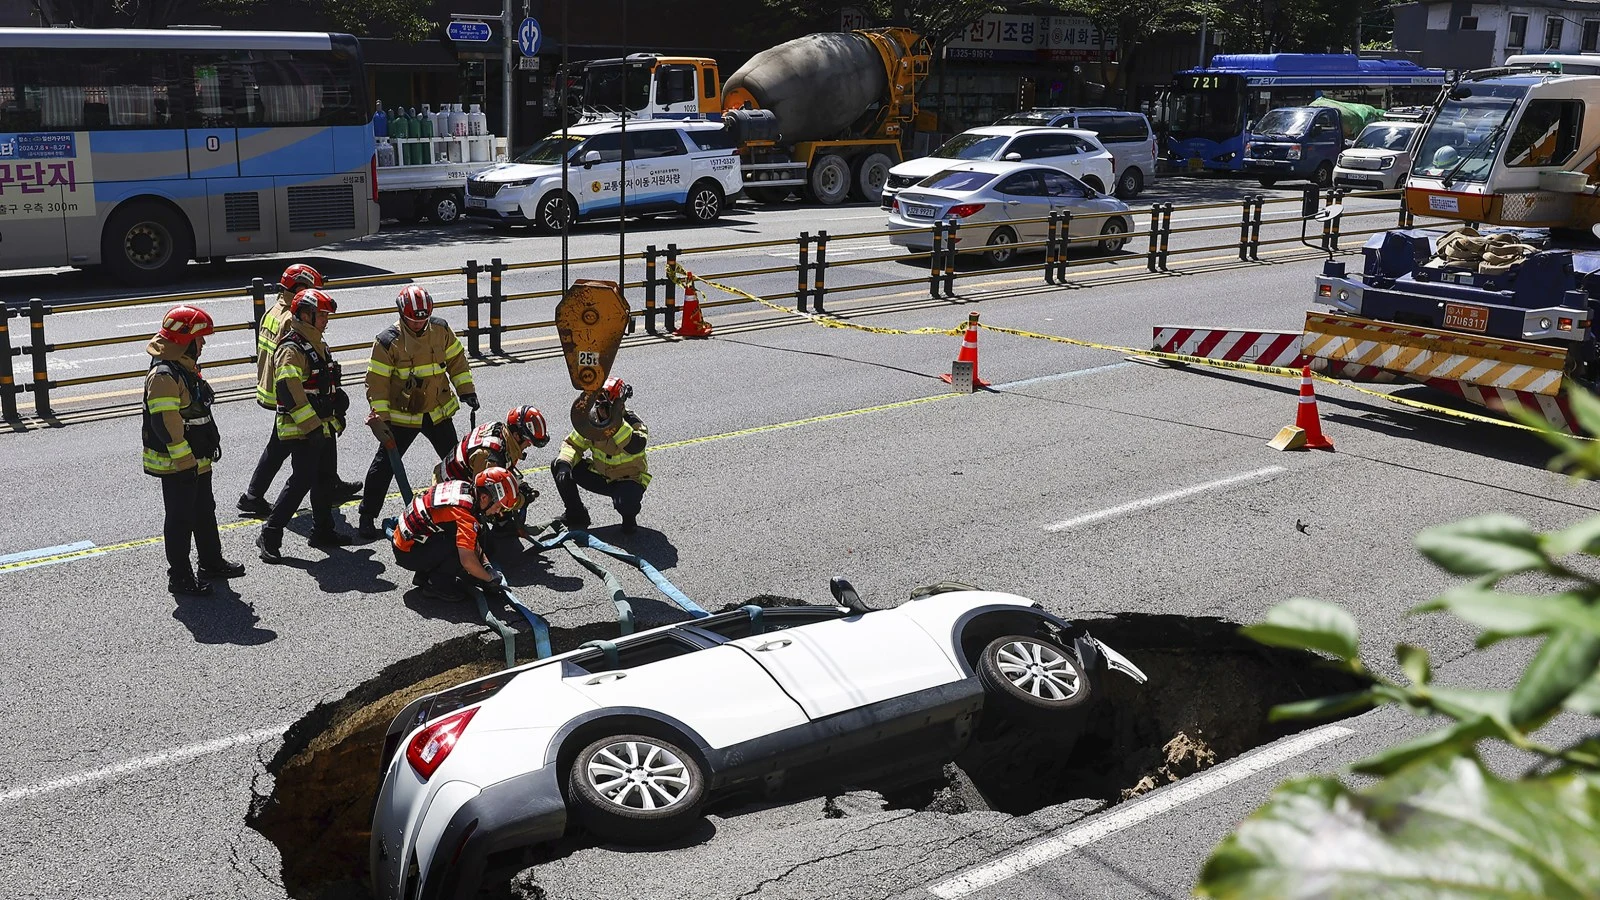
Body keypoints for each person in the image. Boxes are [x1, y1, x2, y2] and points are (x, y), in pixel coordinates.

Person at [238, 264, 360, 517]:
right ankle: (256, 498)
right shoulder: (290, 319)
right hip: (290, 394)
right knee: (288, 448)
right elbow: (295, 363)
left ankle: (257, 494)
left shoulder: (272, 310)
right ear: (301, 288)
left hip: (271, 387)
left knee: (284, 445)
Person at [357, 286, 478, 539]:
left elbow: (457, 361)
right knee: (384, 466)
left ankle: (464, 509)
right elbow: (376, 384)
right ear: (402, 314)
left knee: (455, 464)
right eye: (413, 319)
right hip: (403, 417)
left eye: (423, 318)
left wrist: (466, 390)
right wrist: (382, 420)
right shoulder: (387, 341)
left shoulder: (441, 329)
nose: (419, 323)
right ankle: (367, 516)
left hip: (436, 411)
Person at [143, 305, 245, 596]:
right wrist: (184, 459)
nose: (204, 344)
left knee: (203, 511)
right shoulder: (164, 375)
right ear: (184, 341)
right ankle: (180, 577)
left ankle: (211, 562)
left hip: (195, 457)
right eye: (200, 338)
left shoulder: (182, 367)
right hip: (179, 463)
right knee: (180, 518)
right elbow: (166, 423)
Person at [258, 288, 355, 562]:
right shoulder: (292, 348)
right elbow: (289, 392)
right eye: (321, 314)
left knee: (324, 479)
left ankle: (323, 530)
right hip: (303, 429)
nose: (326, 319)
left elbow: (319, 382)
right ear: (304, 314)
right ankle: (270, 533)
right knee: (301, 481)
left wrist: (336, 400)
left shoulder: (317, 343)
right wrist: (311, 426)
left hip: (322, 426)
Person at [391, 467, 520, 601]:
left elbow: (474, 539)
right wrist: (489, 578)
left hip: (409, 542)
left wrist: (487, 566)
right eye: (498, 506)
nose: (497, 512)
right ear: (484, 497)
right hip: (408, 552)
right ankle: (436, 585)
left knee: (475, 535)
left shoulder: (463, 487)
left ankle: (425, 574)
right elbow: (467, 561)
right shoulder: (464, 517)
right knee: (459, 548)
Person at [439, 406, 549, 549]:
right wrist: (521, 499)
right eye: (528, 441)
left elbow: (502, 471)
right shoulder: (489, 457)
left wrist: (517, 484)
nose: (529, 445)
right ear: (517, 435)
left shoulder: (502, 434)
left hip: (465, 476)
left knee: (505, 506)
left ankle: (501, 525)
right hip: (452, 491)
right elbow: (488, 495)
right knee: (487, 547)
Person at [552, 377, 649, 533]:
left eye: (605, 407)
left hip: (628, 480)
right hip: (602, 476)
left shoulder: (632, 422)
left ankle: (629, 519)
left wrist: (615, 424)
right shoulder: (591, 421)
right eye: (598, 406)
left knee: (626, 501)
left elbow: (635, 446)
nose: (601, 411)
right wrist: (564, 465)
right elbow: (573, 445)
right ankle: (576, 514)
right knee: (558, 465)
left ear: (619, 405)